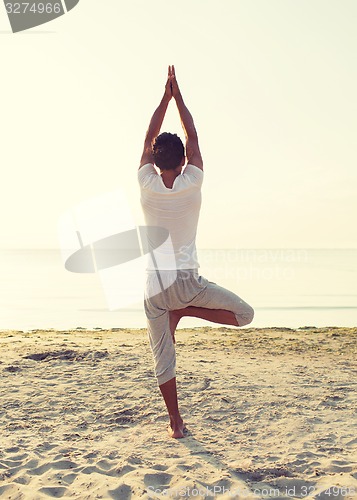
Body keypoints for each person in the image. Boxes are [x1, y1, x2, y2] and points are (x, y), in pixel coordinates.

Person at [138, 66, 254, 438]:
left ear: (156, 164)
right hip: (187, 284)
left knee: (162, 356)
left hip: (154, 286)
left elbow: (148, 136)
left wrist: (164, 97)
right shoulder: (193, 180)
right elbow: (193, 136)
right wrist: (179, 96)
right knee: (245, 315)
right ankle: (184, 312)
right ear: (183, 160)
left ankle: (175, 423)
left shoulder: (146, 183)